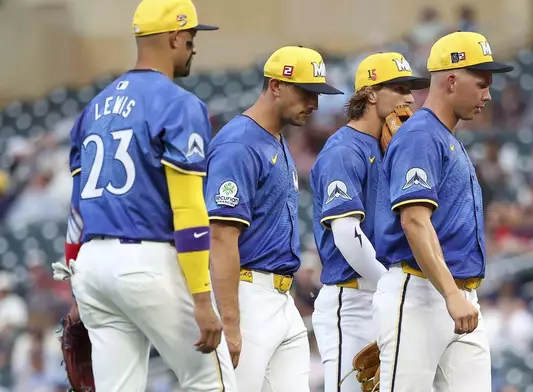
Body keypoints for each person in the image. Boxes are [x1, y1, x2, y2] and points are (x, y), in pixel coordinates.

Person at [64, 0, 236, 390]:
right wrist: (202, 299)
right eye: (191, 37)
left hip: (92, 266)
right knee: (211, 382)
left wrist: (77, 284)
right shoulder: (179, 104)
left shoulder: (94, 107)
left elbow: (76, 209)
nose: (194, 47)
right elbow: (189, 208)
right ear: (175, 36)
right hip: (146, 261)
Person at [373, 31, 514, 392]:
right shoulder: (421, 135)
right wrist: (451, 294)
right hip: (420, 292)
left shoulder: (443, 136)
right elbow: (414, 221)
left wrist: (457, 295)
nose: (488, 94)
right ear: (451, 80)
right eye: (481, 83)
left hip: (460, 295)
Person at [205, 46, 343, 392]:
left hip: (281, 298)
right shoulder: (239, 143)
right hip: (245, 295)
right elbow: (221, 236)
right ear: (275, 86)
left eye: (318, 94)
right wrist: (232, 322)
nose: (313, 103)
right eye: (305, 92)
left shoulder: (276, 140)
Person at [309, 52, 429, 392]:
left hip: (382, 296)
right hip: (354, 302)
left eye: (411, 89)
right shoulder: (344, 150)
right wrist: (389, 287)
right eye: (399, 88)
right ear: (371, 93)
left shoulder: (393, 148)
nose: (409, 97)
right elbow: (347, 236)